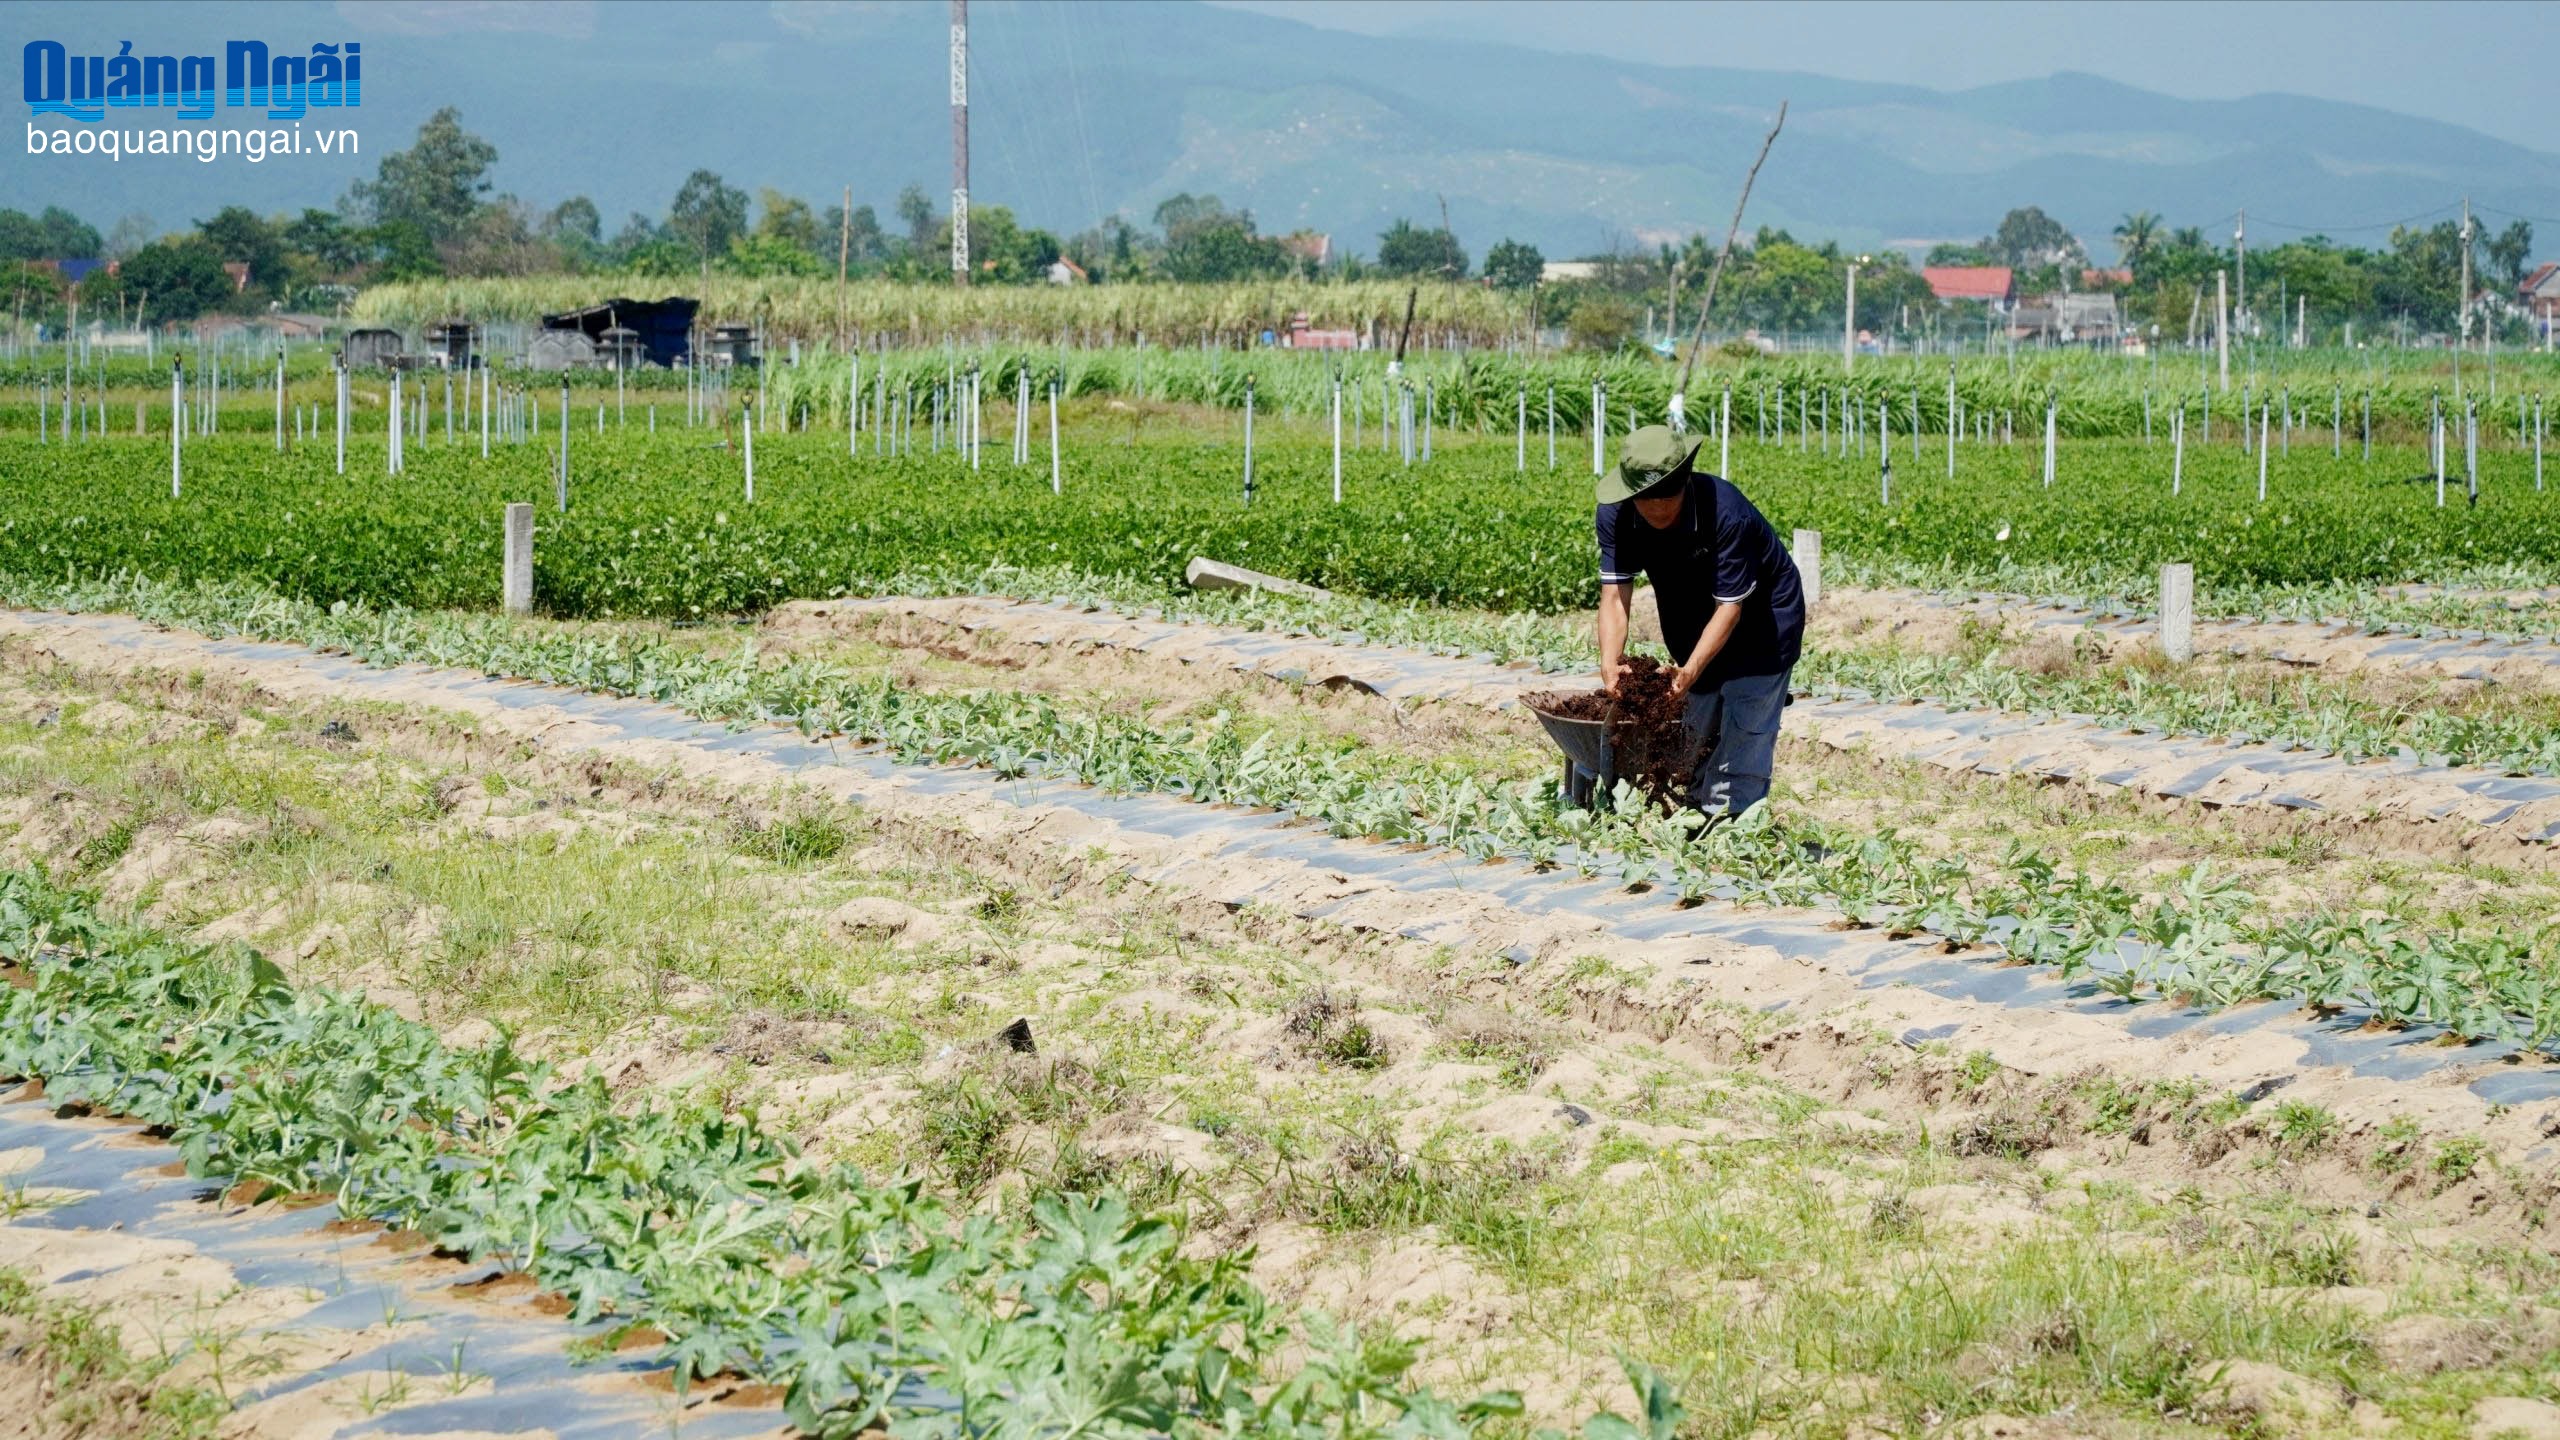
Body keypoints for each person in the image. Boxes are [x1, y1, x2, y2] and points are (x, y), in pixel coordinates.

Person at [1595, 425, 1805, 815]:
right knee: (1695, 729)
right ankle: (1693, 814)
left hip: (1764, 622)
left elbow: (1729, 608)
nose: (1657, 512)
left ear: (1686, 482)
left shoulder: (1727, 513)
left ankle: (1731, 826)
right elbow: (1614, 595)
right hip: (1691, 614)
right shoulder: (1617, 514)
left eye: (1668, 504)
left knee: (1743, 728)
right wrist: (1611, 661)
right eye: (1646, 502)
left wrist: (1689, 670)